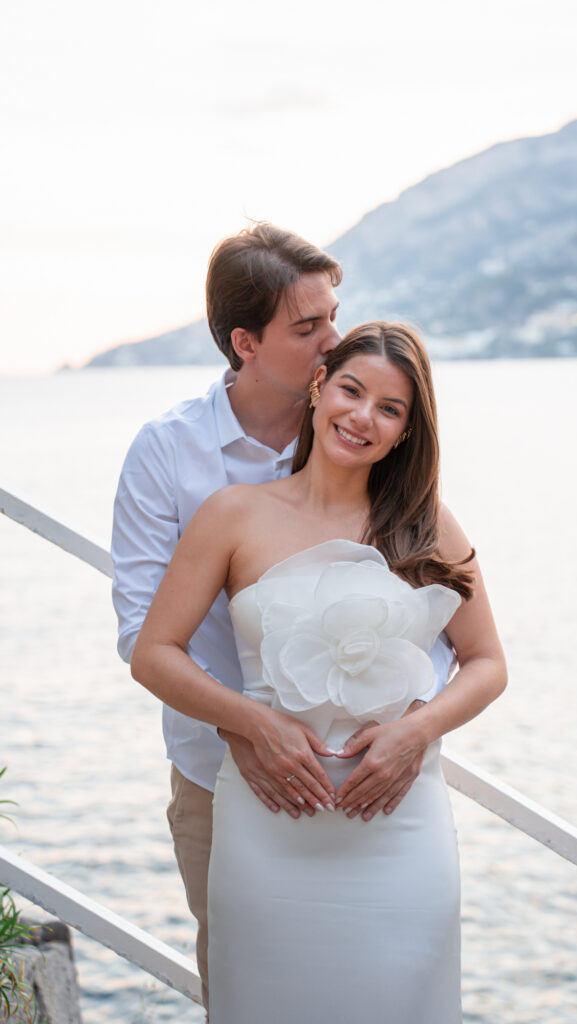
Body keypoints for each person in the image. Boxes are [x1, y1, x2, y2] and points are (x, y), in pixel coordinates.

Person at [111, 225, 454, 1013]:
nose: (335, 341)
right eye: (308, 329)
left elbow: (441, 611)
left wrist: (415, 730)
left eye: (334, 315)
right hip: (223, 782)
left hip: (382, 786)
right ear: (245, 343)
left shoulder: (358, 428)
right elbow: (142, 634)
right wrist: (248, 728)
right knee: (249, 990)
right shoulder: (169, 454)